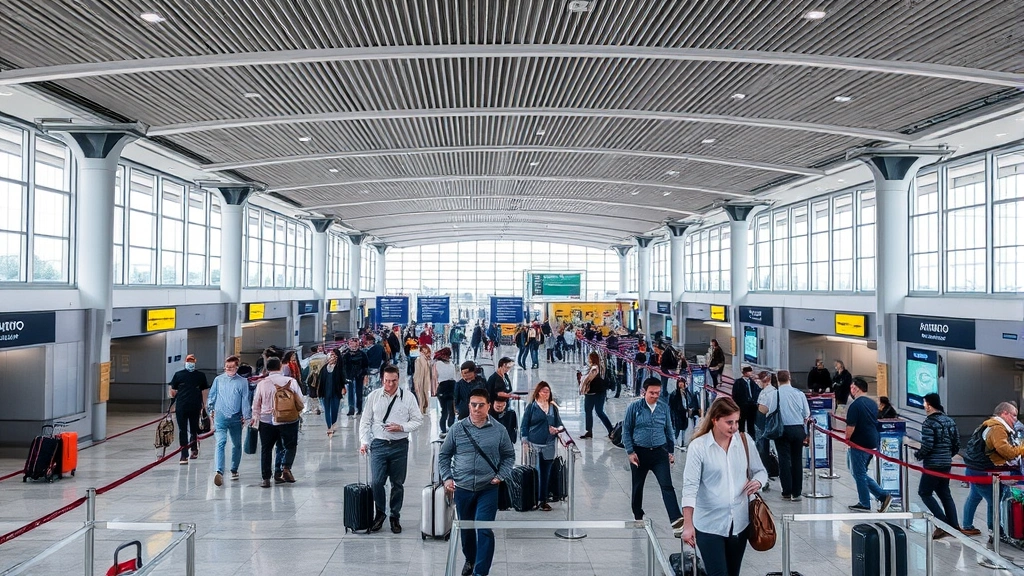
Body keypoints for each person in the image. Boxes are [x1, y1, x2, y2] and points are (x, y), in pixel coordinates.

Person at [680, 397, 768, 576]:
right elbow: (690, 487)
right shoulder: (699, 447)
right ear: (715, 420)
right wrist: (688, 524)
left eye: (736, 422)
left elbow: (761, 471)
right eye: (729, 422)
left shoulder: (744, 441)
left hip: (739, 524)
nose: (734, 427)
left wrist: (758, 482)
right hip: (709, 526)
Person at [438, 389, 516, 576]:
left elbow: (509, 456)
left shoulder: (499, 430)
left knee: (484, 528)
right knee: (466, 530)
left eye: (481, 405)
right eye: (473, 405)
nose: (476, 409)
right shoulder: (457, 429)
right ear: (469, 405)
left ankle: (480, 572)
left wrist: (500, 476)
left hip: (487, 488)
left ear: (488, 406)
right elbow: (444, 455)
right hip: (462, 487)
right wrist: (447, 477)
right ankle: (470, 560)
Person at [359, 365, 424, 534]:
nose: (390, 384)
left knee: (397, 483)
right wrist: (364, 441)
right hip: (379, 444)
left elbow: (418, 420)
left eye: (393, 381)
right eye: (387, 381)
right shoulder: (374, 397)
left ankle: (395, 515)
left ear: (399, 379)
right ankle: (380, 513)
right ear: (382, 380)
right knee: (377, 482)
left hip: (399, 446)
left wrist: (401, 427)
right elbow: (365, 421)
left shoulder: (408, 397)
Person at [622, 377, 684, 536]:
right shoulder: (634, 408)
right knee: (638, 485)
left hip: (659, 452)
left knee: (667, 485)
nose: (656, 395)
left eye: (658, 392)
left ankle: (676, 520)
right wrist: (630, 452)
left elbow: (669, 430)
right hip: (639, 452)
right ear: (644, 392)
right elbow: (626, 431)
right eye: (652, 393)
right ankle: (637, 514)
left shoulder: (663, 408)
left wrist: (671, 451)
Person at [961, 401, 1024, 538]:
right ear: (1004, 413)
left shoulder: (987, 424)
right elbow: (1006, 451)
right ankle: (995, 531)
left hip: (974, 467)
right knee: (994, 500)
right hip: (983, 470)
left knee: (974, 496)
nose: (1015, 419)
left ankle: (967, 525)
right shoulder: (997, 428)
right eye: (1013, 415)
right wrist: (1022, 449)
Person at [757, 370, 811, 501]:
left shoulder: (774, 394)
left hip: (781, 430)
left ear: (777, 379)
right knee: (797, 460)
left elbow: (763, 410)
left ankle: (786, 490)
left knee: (784, 460)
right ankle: (797, 492)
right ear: (790, 378)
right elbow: (806, 414)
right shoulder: (799, 394)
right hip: (798, 429)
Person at [913, 393, 961, 539]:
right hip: (946, 463)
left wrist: (918, 454)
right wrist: (947, 455)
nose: (923, 406)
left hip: (933, 464)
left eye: (924, 403)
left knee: (924, 492)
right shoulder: (949, 421)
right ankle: (954, 526)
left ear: (928, 404)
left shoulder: (929, 423)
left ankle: (942, 523)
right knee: (944, 493)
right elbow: (956, 444)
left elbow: (927, 445)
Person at [251, 357, 303, 488]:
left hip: (266, 421)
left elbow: (256, 403)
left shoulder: (262, 384)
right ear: (281, 367)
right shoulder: (291, 381)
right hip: (288, 420)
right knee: (289, 446)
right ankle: (285, 467)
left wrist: (255, 418)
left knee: (266, 449)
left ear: (267, 368)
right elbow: (301, 401)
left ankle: (266, 478)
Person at [845, 377, 892, 512]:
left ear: (856, 388)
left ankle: (867, 502)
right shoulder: (872, 403)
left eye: (852, 388)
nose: (851, 391)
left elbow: (851, 427)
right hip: (872, 441)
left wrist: (847, 439)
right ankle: (881, 495)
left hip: (859, 443)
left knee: (859, 473)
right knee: (858, 471)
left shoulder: (855, 406)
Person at [207, 355, 252, 486]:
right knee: (220, 442)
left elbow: (245, 399)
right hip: (220, 416)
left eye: (232, 367)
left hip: (236, 417)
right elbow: (212, 396)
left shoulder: (243, 382)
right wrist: (211, 412)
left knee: (237, 444)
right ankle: (219, 471)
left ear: (237, 367)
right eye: (227, 367)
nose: (229, 369)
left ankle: (234, 469)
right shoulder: (218, 380)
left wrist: (246, 416)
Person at [520, 381, 564, 512]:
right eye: (544, 391)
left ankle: (543, 499)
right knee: (536, 471)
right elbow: (524, 425)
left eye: (548, 391)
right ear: (538, 392)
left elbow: (560, 424)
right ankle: (534, 498)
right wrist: (525, 440)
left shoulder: (553, 408)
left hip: (549, 444)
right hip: (534, 443)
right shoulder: (531, 407)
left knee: (546, 472)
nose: (546, 393)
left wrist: (556, 429)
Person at [168, 354, 210, 464]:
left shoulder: (200, 376)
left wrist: (204, 405)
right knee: (182, 430)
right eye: (189, 361)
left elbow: (204, 390)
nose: (190, 363)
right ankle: (184, 454)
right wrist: (173, 399)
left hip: (195, 406)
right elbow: (172, 390)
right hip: (181, 407)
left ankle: (194, 448)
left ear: (195, 362)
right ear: (185, 362)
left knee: (194, 429)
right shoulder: (178, 375)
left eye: (192, 361)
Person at [579, 351, 614, 439]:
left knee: (599, 411)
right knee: (589, 411)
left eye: (589, 357)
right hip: (591, 392)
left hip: (597, 392)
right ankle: (589, 431)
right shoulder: (594, 367)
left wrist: (582, 379)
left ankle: (611, 429)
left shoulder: (595, 368)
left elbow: (588, 379)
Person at [339, 336, 369, 416]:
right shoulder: (346, 355)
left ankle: (359, 409)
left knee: (359, 392)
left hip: (360, 376)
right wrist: (345, 376)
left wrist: (364, 375)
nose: (353, 346)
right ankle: (351, 409)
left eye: (355, 345)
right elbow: (343, 366)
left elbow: (366, 365)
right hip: (350, 376)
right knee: (350, 393)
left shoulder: (363, 354)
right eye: (351, 345)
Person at [320, 349, 345, 437]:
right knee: (327, 409)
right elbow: (321, 381)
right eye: (331, 357)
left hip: (335, 391)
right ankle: (329, 427)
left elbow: (342, 379)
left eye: (334, 357)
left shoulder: (339, 368)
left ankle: (333, 423)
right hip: (325, 392)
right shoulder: (323, 369)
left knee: (334, 409)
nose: (332, 359)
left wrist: (343, 387)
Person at [731, 365, 760, 437]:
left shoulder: (752, 382)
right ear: (745, 373)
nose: (750, 373)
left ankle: (752, 437)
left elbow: (757, 391)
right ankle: (741, 436)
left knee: (751, 424)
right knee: (742, 423)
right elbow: (735, 395)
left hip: (752, 406)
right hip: (742, 406)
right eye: (749, 372)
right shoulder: (738, 382)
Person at [434, 347, 457, 436]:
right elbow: (435, 377)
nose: (447, 357)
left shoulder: (442, 364)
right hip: (446, 388)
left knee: (448, 410)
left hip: (447, 388)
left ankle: (447, 430)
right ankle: (445, 430)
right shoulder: (439, 364)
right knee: (447, 410)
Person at [668, 378, 693, 451]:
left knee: (684, 427)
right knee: (678, 428)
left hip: (684, 412)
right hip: (677, 413)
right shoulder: (674, 393)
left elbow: (690, 400)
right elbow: (671, 405)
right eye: (680, 383)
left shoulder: (686, 392)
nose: (681, 385)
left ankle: (681, 442)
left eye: (682, 383)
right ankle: (678, 442)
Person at [412, 345, 435, 414]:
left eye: (427, 351)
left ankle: (423, 410)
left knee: (424, 396)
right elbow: (417, 373)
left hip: (425, 381)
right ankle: (421, 411)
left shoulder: (428, 360)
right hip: (420, 380)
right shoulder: (419, 360)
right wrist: (416, 383)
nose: (425, 353)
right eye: (423, 351)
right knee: (421, 396)